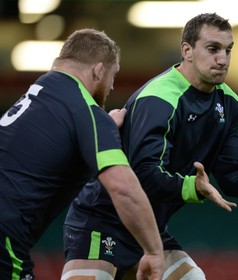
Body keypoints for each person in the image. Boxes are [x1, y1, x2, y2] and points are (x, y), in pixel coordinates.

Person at [63, 13, 238, 279]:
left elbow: (232, 174)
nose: (223, 59)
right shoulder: (158, 99)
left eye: (228, 50)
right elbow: (143, 174)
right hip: (103, 220)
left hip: (150, 228)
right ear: (187, 51)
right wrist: (191, 187)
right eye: (213, 49)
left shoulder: (229, 103)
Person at [0, 28, 164, 280]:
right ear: (98, 70)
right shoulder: (85, 112)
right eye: (113, 75)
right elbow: (123, 187)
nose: (111, 87)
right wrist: (153, 251)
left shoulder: (42, 94)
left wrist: (101, 130)